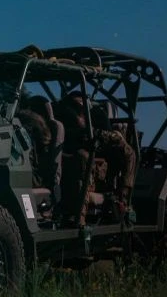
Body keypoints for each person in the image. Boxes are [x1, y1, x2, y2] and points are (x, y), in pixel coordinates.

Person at [55, 91, 136, 224]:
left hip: (93, 161)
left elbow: (121, 147)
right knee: (82, 158)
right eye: (75, 107)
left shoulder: (96, 117)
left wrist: (105, 136)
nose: (76, 112)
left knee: (126, 153)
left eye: (80, 107)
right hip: (69, 158)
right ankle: (78, 216)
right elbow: (69, 136)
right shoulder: (63, 117)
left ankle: (122, 202)